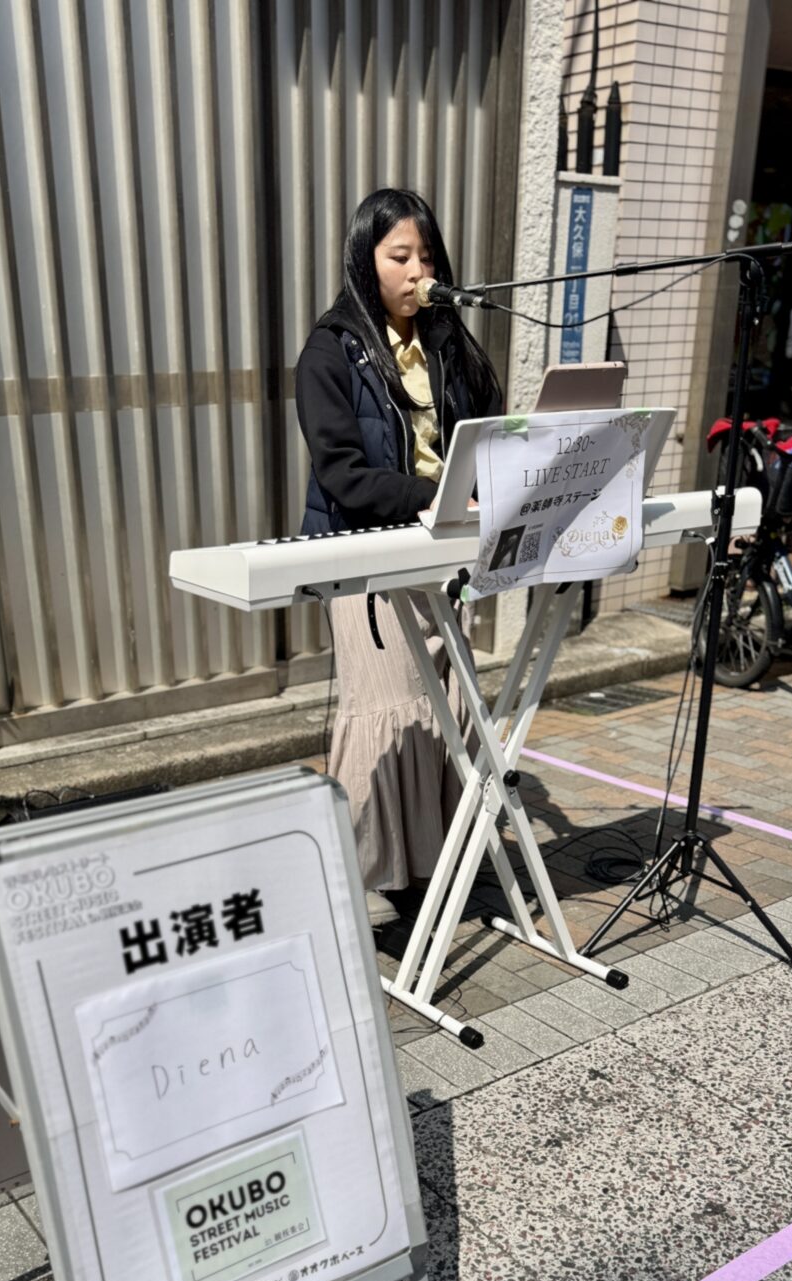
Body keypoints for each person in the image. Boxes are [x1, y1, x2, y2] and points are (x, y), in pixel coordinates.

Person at [294, 187, 502, 920]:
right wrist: (427, 492)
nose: (419, 270)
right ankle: (367, 870)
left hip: (441, 552)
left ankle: (436, 855)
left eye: (428, 256)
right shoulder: (330, 349)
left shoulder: (447, 343)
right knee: (387, 706)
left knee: (446, 700)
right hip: (364, 554)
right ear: (365, 259)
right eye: (400, 256)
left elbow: (484, 434)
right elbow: (341, 472)